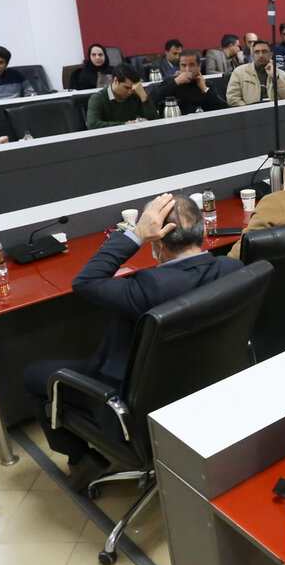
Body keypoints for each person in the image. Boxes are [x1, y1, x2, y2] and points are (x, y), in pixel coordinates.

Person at [22, 193, 243, 490]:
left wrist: (136, 235)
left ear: (157, 244)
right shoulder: (233, 270)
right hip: (204, 388)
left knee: (34, 375)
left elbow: (85, 281)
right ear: (203, 232)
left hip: (130, 406)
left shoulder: (147, 288)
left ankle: (81, 460)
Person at [151, 51, 228, 115]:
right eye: (183, 65)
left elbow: (223, 109)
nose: (187, 69)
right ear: (179, 66)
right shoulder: (171, 82)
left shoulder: (207, 85)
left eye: (191, 65)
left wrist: (204, 88)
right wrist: (176, 81)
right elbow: (153, 100)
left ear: (199, 66)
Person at [85, 63, 158, 128]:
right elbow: (92, 125)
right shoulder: (97, 99)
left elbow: (155, 121)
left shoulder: (134, 95)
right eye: (126, 87)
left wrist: (144, 98)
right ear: (116, 81)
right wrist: (124, 125)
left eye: (132, 88)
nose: (130, 92)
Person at [227, 40, 285, 106]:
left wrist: (276, 78)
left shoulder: (281, 74)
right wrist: (249, 110)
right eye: (257, 52)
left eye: (264, 51)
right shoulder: (239, 72)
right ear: (252, 54)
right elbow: (232, 98)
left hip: (275, 112)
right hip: (249, 112)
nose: (260, 55)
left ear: (271, 54)